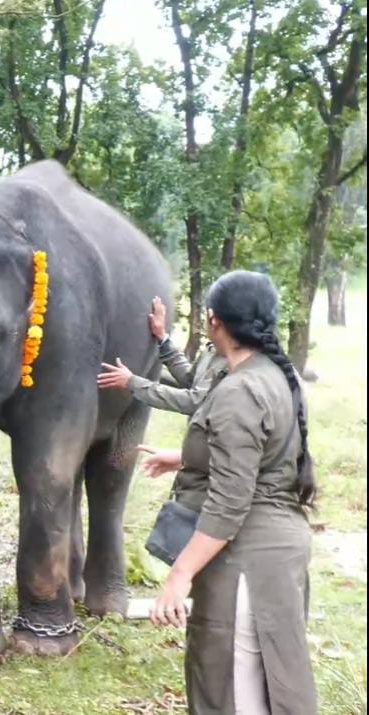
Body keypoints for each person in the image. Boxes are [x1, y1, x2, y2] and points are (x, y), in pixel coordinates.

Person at [138, 272, 318, 713]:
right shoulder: (277, 373)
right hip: (275, 551)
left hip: (247, 563)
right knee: (270, 679)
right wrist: (184, 457)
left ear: (214, 322)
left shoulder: (240, 390)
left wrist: (179, 575)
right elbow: (264, 456)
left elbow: (230, 502)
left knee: (236, 692)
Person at [97, 297, 228, 416]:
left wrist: (132, 382)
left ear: (213, 319)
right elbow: (189, 379)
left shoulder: (232, 362)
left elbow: (194, 402)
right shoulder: (214, 350)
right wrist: (162, 338)